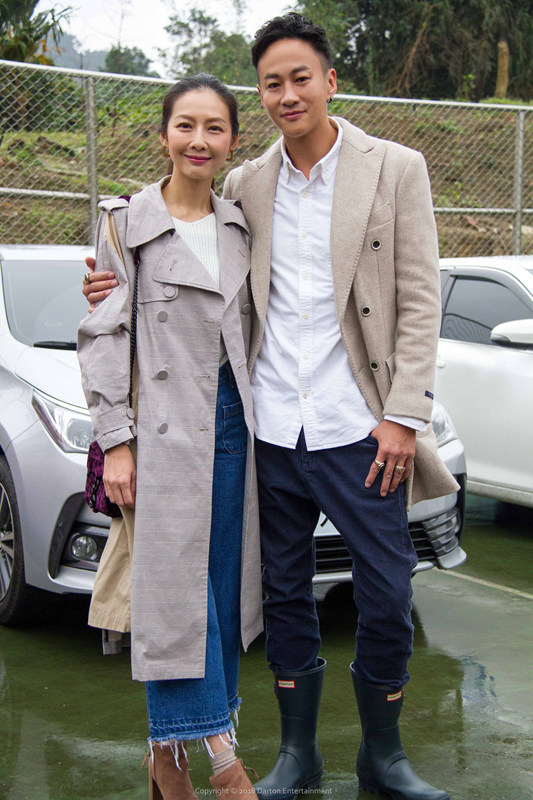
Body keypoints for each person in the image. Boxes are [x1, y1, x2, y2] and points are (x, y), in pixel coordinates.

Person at [83, 14, 459, 800]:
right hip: (271, 427)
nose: (287, 94)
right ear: (259, 96)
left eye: (300, 78)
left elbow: (420, 299)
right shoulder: (247, 185)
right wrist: (108, 280)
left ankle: (383, 756)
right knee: (281, 592)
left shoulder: (395, 168)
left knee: (387, 589)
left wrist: (404, 414)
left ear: (329, 81)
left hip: (359, 426)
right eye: (271, 84)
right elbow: (169, 257)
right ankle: (295, 754)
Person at [77, 73, 263, 800]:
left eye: (214, 127)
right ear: (163, 136)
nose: (198, 140)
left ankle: (165, 757)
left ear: (232, 142)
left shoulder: (239, 225)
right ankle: (222, 756)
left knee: (219, 590)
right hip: (161, 432)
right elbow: (102, 334)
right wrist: (117, 441)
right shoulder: (125, 222)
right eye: (185, 125)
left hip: (232, 422)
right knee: (174, 595)